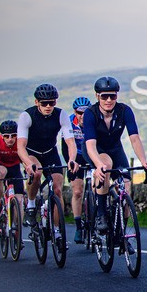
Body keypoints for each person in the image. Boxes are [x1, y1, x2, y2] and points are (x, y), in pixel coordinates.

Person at [82, 77, 147, 234]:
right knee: (105, 165)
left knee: (125, 188)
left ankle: (121, 232)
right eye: (104, 96)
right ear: (97, 96)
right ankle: (100, 213)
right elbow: (90, 145)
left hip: (115, 148)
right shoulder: (90, 114)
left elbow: (134, 138)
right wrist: (98, 164)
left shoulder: (124, 111)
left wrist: (144, 161)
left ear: (117, 96)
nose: (108, 100)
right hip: (95, 149)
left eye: (112, 96)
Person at [16, 84, 78, 241]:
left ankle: (56, 230)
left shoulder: (61, 115)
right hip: (32, 153)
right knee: (35, 173)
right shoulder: (27, 116)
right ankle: (30, 205)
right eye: (44, 103)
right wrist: (27, 163)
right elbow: (20, 146)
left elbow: (71, 143)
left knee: (57, 190)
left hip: (51, 153)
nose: (49, 106)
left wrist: (71, 160)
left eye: (52, 102)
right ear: (37, 102)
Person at [61, 97, 92, 243]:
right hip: (76, 157)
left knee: (99, 185)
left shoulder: (93, 120)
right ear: (75, 112)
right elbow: (64, 147)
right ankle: (79, 227)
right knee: (78, 191)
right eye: (79, 113)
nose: (82, 116)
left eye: (85, 112)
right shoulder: (69, 122)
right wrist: (70, 162)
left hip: (91, 155)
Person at [0, 120, 25, 223]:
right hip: (1, 166)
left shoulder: (20, 142)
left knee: (20, 200)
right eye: (7, 136)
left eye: (13, 136)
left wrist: (28, 169)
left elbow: (24, 158)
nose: (10, 139)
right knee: (0, 172)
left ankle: (18, 231)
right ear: (2, 136)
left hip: (15, 168)